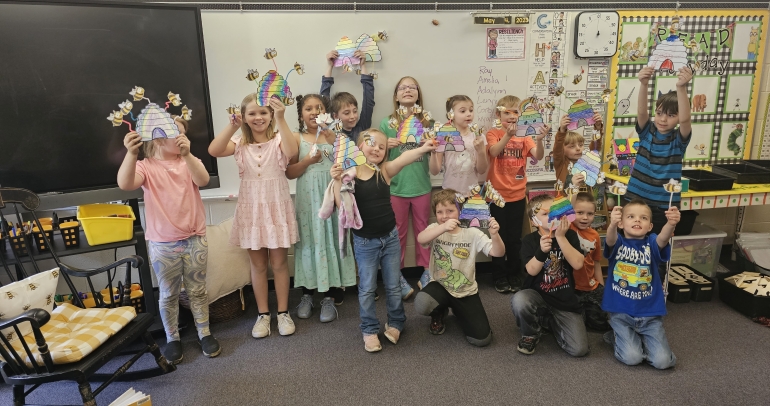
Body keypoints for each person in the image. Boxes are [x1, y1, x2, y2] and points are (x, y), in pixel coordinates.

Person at [117, 116, 220, 363]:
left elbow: (203, 180)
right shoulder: (146, 166)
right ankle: (172, 338)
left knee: (197, 290)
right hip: (163, 244)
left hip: (195, 239)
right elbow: (125, 183)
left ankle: (204, 332)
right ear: (158, 138)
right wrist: (131, 154)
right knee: (168, 294)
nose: (182, 138)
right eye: (177, 133)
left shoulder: (189, 161)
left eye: (184, 133)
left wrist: (187, 155)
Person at [330, 129, 436, 352]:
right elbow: (342, 207)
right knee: (367, 288)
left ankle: (397, 322)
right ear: (358, 147)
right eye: (371, 144)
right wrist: (337, 180)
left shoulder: (384, 171)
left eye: (381, 146)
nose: (377, 149)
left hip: (389, 239)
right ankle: (369, 329)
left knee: (393, 285)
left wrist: (423, 149)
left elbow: (404, 159)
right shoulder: (350, 175)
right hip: (365, 242)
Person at [208, 95, 299, 339]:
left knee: (279, 264)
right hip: (252, 210)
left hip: (276, 208)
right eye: (252, 114)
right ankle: (262, 315)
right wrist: (232, 126)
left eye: (263, 113)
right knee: (258, 265)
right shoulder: (239, 144)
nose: (258, 117)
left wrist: (281, 117)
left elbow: (292, 151)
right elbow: (213, 150)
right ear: (244, 117)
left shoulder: (280, 140)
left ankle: (282, 312)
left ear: (270, 115)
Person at [286, 94, 355, 323]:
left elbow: (348, 164)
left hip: (331, 200)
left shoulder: (336, 137)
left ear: (327, 112)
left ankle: (329, 296)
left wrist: (329, 134)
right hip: (308, 202)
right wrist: (307, 161)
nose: (314, 112)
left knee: (330, 241)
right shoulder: (297, 138)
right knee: (310, 242)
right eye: (308, 108)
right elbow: (290, 172)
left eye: (319, 108)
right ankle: (307, 294)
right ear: (301, 114)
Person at [413, 189, 504, 346]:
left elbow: (498, 252)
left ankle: (459, 310)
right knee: (422, 303)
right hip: (440, 286)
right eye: (440, 212)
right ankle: (439, 311)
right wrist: (443, 227)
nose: (445, 216)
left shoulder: (472, 232)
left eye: (450, 210)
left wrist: (495, 235)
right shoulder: (435, 227)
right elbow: (421, 239)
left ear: (460, 211)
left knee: (482, 340)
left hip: (465, 291)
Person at [602, 200, 679, 369]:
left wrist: (671, 224)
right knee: (632, 358)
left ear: (650, 226)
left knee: (663, 362)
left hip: (650, 315)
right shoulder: (618, 242)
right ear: (622, 223)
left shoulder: (651, 242)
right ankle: (615, 336)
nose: (637, 220)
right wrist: (612, 224)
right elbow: (610, 239)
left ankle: (635, 340)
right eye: (631, 217)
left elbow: (663, 239)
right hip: (621, 314)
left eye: (643, 218)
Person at [511, 194, 588, 356]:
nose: (552, 217)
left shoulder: (570, 236)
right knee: (520, 300)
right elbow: (531, 270)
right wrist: (541, 252)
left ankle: (549, 322)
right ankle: (530, 333)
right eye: (545, 214)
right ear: (534, 221)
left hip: (564, 300)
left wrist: (560, 237)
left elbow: (578, 264)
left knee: (579, 350)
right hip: (537, 295)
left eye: (555, 212)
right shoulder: (529, 240)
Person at [486, 95, 547, 293]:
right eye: (507, 112)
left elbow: (538, 156)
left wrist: (539, 140)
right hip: (496, 196)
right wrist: (507, 135)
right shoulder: (493, 133)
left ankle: (514, 273)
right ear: (498, 114)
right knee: (498, 237)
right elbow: (494, 152)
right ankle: (499, 276)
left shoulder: (525, 136)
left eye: (515, 112)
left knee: (514, 238)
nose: (512, 117)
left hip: (518, 195)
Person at [379, 76, 433, 299]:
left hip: (421, 185)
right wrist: (385, 145)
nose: (408, 90)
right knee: (396, 234)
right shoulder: (386, 123)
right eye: (403, 87)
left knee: (425, 232)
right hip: (396, 188)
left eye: (412, 87)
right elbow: (377, 157)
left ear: (418, 94)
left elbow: (435, 152)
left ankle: (428, 272)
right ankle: (396, 276)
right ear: (396, 95)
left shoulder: (427, 121)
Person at [427, 95, 488, 288]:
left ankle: (467, 278)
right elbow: (435, 170)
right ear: (451, 114)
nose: (468, 114)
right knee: (448, 241)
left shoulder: (477, 136)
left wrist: (480, 150)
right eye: (463, 110)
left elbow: (482, 170)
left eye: (470, 109)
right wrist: (434, 151)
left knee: (468, 240)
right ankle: (447, 278)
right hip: (450, 198)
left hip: (471, 197)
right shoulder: (444, 135)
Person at [625, 66, 692, 234]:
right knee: (629, 245)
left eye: (670, 115)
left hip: (664, 206)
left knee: (658, 248)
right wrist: (644, 84)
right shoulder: (647, 132)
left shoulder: (678, 140)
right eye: (660, 113)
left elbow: (685, 120)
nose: (662, 119)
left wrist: (681, 87)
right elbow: (641, 112)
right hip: (635, 201)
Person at [570, 192, 610, 331]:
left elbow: (596, 262)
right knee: (575, 323)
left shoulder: (595, 235)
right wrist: (574, 187)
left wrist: (601, 287)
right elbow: (567, 208)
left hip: (590, 285)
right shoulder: (569, 229)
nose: (585, 217)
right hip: (572, 287)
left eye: (590, 214)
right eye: (579, 212)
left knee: (599, 325)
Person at [320, 49, 375, 144]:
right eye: (346, 113)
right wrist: (330, 66)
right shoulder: (331, 129)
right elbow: (323, 99)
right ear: (335, 116)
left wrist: (363, 65)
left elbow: (368, 100)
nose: (353, 116)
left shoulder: (362, 127)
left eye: (354, 111)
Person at [552, 112, 603, 193]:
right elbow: (557, 149)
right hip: (566, 203)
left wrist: (597, 128)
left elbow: (595, 147)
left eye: (581, 145)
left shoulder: (586, 159)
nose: (578, 149)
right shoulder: (561, 163)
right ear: (563, 150)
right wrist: (562, 130)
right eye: (572, 146)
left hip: (584, 202)